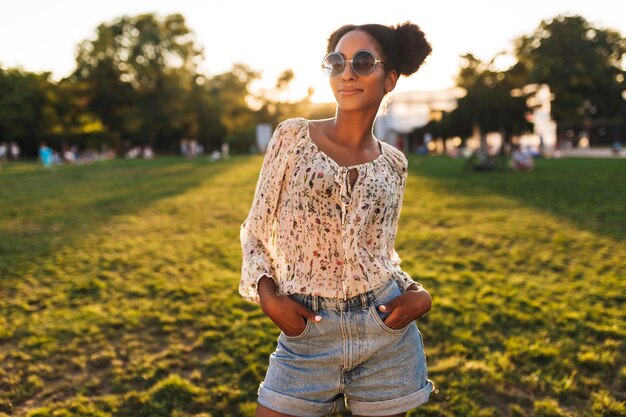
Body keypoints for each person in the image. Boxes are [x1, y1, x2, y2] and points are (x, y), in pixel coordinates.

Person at [239, 22, 435, 417]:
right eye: (336, 62)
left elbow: (382, 253)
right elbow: (256, 231)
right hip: (307, 330)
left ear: (390, 79)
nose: (347, 72)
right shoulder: (292, 137)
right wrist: (267, 296)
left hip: (385, 335)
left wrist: (417, 293)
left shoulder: (395, 164)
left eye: (363, 62)